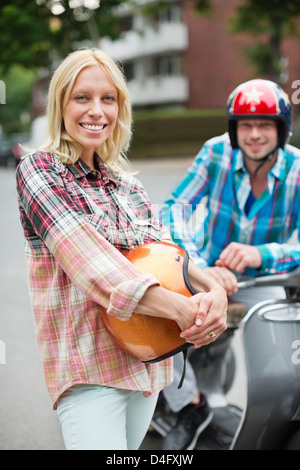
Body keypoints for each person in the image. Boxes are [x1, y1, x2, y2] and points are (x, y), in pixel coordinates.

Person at [15, 48, 228, 451]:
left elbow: (167, 253)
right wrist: (184, 311)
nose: (96, 111)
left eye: (108, 99)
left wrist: (212, 292)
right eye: (82, 97)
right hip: (90, 371)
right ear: (60, 103)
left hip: (147, 367)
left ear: (120, 108)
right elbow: (92, 264)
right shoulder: (39, 170)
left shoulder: (126, 183)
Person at [159, 78, 300, 450]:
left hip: (267, 281)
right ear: (234, 129)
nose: (255, 134)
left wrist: (263, 253)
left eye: (265, 125)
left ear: (281, 130)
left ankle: (282, 411)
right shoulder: (215, 153)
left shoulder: (298, 168)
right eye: (246, 125)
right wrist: (204, 271)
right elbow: (173, 211)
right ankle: (190, 403)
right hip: (209, 275)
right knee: (161, 303)